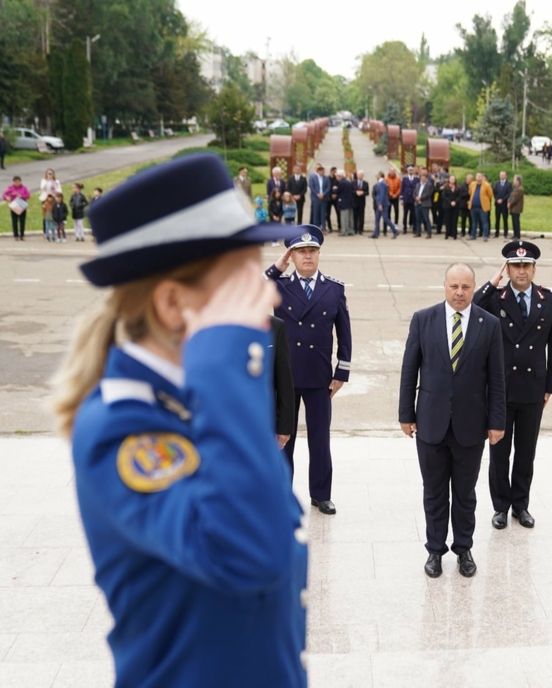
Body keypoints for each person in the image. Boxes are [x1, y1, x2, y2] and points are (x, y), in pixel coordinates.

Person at [50, 152, 308, 686]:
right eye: (242, 283)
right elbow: (250, 552)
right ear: (172, 305)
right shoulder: (120, 428)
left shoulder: (192, 398)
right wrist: (224, 356)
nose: (267, 294)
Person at [398, 263, 505, 578]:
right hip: (430, 423)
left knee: (465, 493)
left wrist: (497, 421)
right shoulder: (423, 320)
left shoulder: (489, 325)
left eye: (466, 287)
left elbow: (497, 379)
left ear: (474, 288)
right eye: (454, 286)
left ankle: (463, 549)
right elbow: (409, 370)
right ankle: (435, 550)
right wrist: (406, 414)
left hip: (471, 425)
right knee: (433, 492)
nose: (460, 293)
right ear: (444, 286)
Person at [474, 242, 552, 530]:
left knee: (526, 452)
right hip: (501, 388)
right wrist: (491, 283)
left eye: (526, 266)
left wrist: (550, 385)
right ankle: (500, 506)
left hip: (533, 388)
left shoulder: (549, 299)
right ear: (507, 269)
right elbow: (470, 308)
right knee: (499, 452)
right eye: (515, 266)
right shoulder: (495, 298)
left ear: (534, 269)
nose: (521, 271)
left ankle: (520, 505)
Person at [265, 226, 352, 516]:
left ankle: (321, 495)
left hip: (319, 376)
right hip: (285, 377)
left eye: (312, 251)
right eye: (301, 251)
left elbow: (344, 332)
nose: (307, 257)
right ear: (291, 256)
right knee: (283, 438)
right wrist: (277, 268)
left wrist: (341, 372)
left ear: (319, 254)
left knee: (320, 438)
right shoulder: (279, 286)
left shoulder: (333, 289)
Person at [270, 315, 295, 453]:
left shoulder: (275, 326)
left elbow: (284, 380)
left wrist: (284, 428)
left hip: (264, 421)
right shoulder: (217, 325)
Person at [371, 171, 398, 239]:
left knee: (385, 219)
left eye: (377, 175)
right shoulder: (380, 183)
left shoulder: (382, 183)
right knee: (377, 219)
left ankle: (395, 231)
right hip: (379, 203)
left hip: (383, 204)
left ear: (380, 175)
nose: (376, 176)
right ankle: (376, 233)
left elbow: (382, 194)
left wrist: (380, 204)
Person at [468, 172, 493, 241]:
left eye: (480, 176)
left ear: (482, 177)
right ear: (475, 177)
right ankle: (473, 235)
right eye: (477, 176)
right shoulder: (472, 184)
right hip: (473, 207)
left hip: (482, 207)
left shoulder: (486, 185)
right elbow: (470, 192)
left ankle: (485, 236)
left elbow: (490, 194)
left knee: (484, 222)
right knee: (474, 222)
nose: (478, 178)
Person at [4, 176, 30, 241]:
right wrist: (7, 197)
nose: (17, 183)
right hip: (14, 207)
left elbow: (28, 195)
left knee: (22, 221)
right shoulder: (10, 188)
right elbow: (4, 195)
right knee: (14, 221)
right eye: (15, 182)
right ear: (13, 182)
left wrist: (22, 196)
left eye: (18, 181)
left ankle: (22, 235)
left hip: (22, 206)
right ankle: (15, 235)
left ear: (20, 181)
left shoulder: (24, 188)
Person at [307, 163, 329, 228]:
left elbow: (328, 187)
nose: (322, 172)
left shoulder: (326, 178)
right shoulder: (313, 177)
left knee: (323, 214)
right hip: (316, 198)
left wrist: (323, 194)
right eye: (320, 171)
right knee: (316, 214)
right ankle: (316, 228)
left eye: (323, 171)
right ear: (318, 171)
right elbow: (311, 187)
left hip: (324, 198)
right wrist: (317, 194)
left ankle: (323, 227)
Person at [414, 170, 434, 238]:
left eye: (423, 177)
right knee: (417, 219)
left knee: (426, 219)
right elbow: (414, 193)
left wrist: (420, 198)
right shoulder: (417, 184)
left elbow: (428, 194)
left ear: (426, 178)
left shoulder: (429, 185)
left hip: (425, 204)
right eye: (421, 177)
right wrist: (416, 198)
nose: (422, 179)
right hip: (417, 204)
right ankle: (418, 233)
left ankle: (429, 233)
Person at [335, 171, 355, 236]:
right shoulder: (349, 182)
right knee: (350, 218)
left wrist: (335, 189)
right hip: (350, 202)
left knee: (344, 218)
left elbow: (338, 192)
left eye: (337, 176)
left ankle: (344, 231)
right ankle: (350, 230)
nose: (336, 178)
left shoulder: (341, 183)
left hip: (343, 203)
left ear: (339, 176)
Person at [493, 170, 511, 238]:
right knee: (497, 219)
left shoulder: (508, 184)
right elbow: (494, 192)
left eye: (503, 175)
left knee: (505, 219)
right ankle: (496, 233)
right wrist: (497, 199)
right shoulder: (496, 183)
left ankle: (505, 233)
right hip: (497, 204)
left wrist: (502, 200)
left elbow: (509, 193)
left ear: (506, 176)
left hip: (504, 204)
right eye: (500, 175)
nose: (501, 176)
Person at [401, 166, 417, 233]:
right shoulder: (404, 179)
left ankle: (414, 228)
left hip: (413, 199)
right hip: (406, 199)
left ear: (413, 171)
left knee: (414, 214)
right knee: (405, 214)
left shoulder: (416, 179)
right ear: (407, 171)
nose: (410, 171)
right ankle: (404, 228)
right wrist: (401, 199)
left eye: (411, 170)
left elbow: (417, 188)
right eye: (409, 170)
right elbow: (402, 189)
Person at [353, 171, 369, 235]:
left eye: (361, 175)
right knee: (355, 216)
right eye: (359, 175)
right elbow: (351, 191)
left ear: (363, 176)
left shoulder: (365, 183)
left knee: (361, 216)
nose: (360, 176)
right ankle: (355, 229)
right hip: (355, 202)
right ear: (357, 176)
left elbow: (367, 192)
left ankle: (361, 230)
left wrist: (363, 193)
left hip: (362, 202)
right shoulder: (353, 182)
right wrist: (356, 192)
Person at [509, 175, 525, 240]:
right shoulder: (515, 188)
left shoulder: (520, 189)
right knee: (514, 222)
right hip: (513, 208)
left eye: (515, 180)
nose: (513, 181)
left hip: (516, 209)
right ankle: (515, 235)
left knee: (516, 223)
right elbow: (511, 196)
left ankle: (517, 236)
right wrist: (509, 201)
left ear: (518, 181)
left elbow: (515, 198)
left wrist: (510, 203)